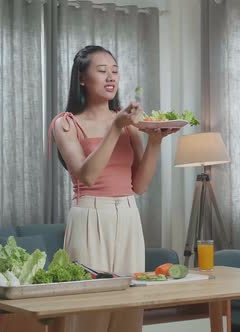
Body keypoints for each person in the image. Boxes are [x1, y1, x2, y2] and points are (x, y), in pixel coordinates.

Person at [48, 45, 178, 332]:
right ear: (82, 78)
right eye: (102, 70)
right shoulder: (66, 124)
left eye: (115, 71)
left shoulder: (129, 124)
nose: (111, 78)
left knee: (129, 309)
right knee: (89, 311)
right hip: (90, 216)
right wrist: (115, 128)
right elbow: (88, 176)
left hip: (129, 216)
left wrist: (156, 141)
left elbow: (140, 185)